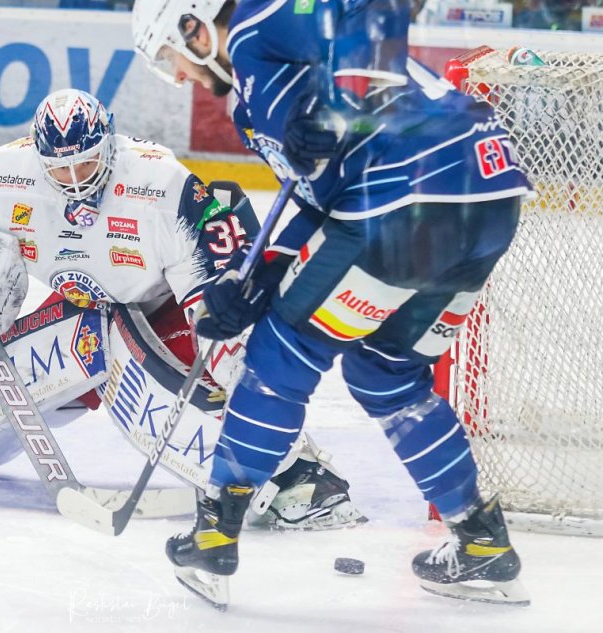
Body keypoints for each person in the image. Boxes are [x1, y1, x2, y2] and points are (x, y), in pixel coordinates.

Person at [132, 0, 532, 608]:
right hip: (486, 202)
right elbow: (317, 201)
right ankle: (481, 543)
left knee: (279, 357)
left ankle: (214, 534)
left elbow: (376, 7)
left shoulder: (259, 19)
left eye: (171, 58)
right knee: (386, 375)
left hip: (405, 199)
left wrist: (338, 107)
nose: (180, 76)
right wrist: (254, 277)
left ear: (192, 25)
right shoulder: (250, 100)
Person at [0, 87, 366, 531]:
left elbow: (214, 298)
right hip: (82, 308)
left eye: (86, 164)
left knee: (226, 357)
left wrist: (230, 357)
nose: (74, 181)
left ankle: (295, 471)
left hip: (165, 307)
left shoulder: (161, 185)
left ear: (108, 146)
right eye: (60, 169)